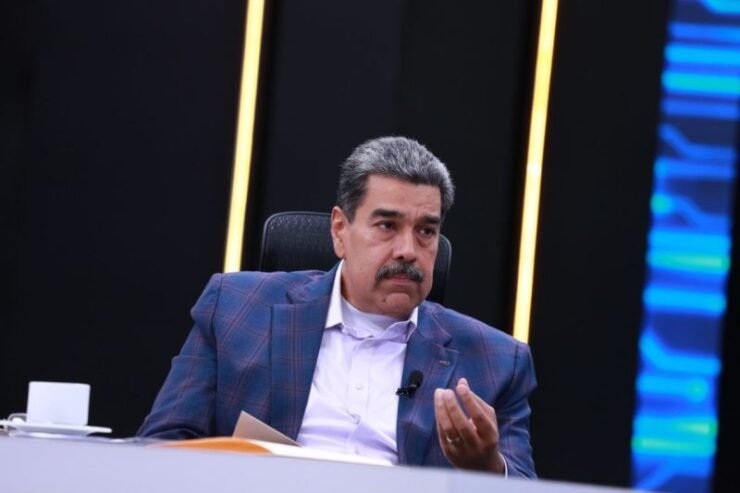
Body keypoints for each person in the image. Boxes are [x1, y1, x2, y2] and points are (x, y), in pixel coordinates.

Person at [138, 136, 537, 477]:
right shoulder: (235, 309)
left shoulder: (496, 361)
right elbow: (161, 447)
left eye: (426, 231)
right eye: (387, 226)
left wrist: (487, 467)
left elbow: (524, 483)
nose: (408, 250)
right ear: (340, 230)